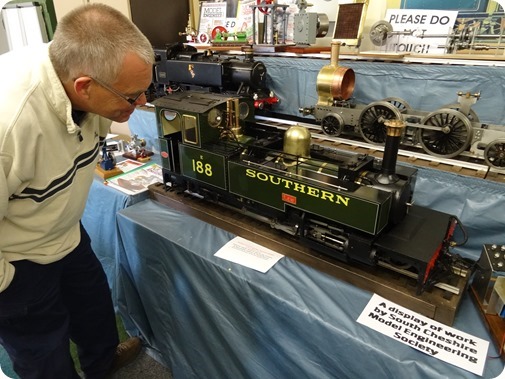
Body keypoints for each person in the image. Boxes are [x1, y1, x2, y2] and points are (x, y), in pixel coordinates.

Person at [0, 3, 154, 378]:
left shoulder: (83, 71)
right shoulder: (10, 123)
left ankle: (102, 363)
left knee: (94, 309)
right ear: (84, 87)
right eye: (132, 96)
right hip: (16, 259)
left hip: (65, 232)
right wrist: (8, 285)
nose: (142, 103)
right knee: (43, 351)